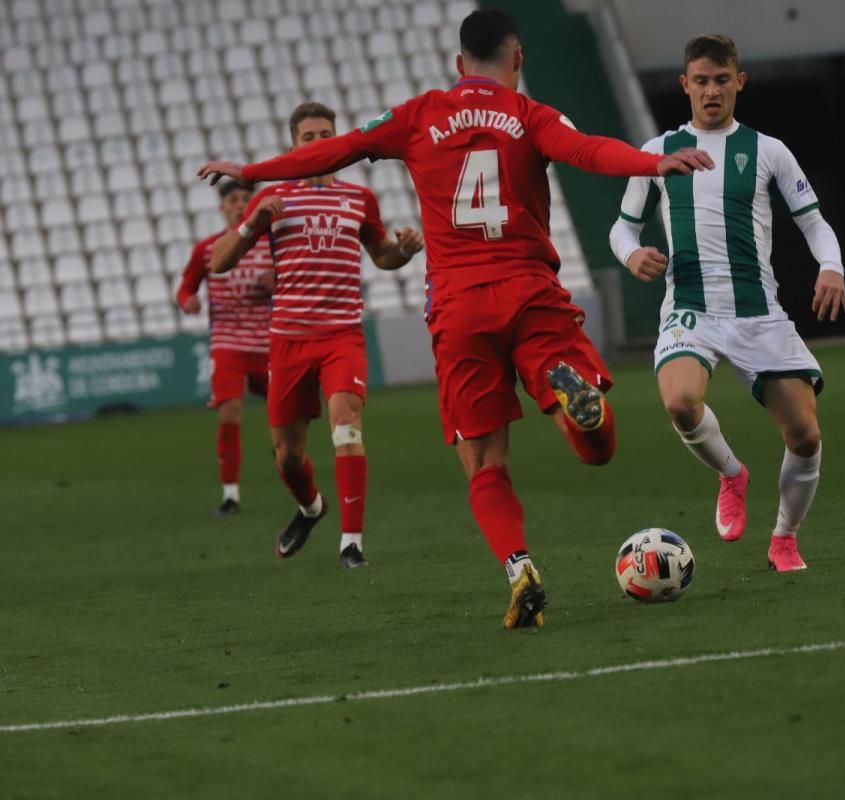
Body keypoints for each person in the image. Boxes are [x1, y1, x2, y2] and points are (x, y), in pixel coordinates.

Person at [198, 9, 712, 627]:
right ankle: (581, 407)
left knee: (485, 462)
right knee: (597, 451)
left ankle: (519, 566)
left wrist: (250, 172)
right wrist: (649, 162)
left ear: (457, 64)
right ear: (517, 60)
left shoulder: (419, 114)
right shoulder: (530, 115)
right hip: (529, 292)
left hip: (458, 307)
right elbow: (585, 150)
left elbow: (337, 150)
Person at [608, 34, 845, 572]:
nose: (711, 91)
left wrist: (831, 266)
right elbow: (621, 230)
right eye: (701, 81)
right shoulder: (657, 152)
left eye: (721, 80)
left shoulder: (768, 151)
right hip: (690, 309)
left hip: (757, 311)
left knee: (805, 436)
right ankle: (731, 474)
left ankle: (785, 539)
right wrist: (632, 257)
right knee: (679, 402)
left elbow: (813, 221)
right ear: (685, 85)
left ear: (739, 82)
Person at [207, 102, 425, 569]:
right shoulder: (273, 199)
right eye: (310, 136)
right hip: (287, 339)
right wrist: (251, 223)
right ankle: (311, 508)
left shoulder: (359, 199)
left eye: (328, 133)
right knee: (288, 456)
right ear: (294, 145)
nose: (321, 141)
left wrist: (402, 252)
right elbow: (219, 263)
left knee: (346, 423)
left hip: (341, 334)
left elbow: (381, 255)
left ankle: (352, 543)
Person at [175, 179, 274, 516]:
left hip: (269, 344)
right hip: (228, 343)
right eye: (233, 198)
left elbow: (295, 283)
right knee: (229, 412)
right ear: (222, 207)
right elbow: (185, 288)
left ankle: (292, 468)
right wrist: (188, 301)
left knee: (286, 416)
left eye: (245, 198)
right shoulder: (207, 249)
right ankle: (230, 495)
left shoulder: (270, 243)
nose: (239, 203)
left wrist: (277, 282)